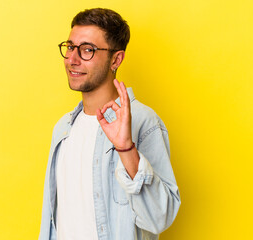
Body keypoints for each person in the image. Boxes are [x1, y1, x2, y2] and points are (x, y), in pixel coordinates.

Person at [39, 8, 181, 240]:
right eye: (70, 47)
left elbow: (159, 219)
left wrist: (126, 148)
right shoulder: (63, 129)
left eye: (87, 50)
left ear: (116, 59)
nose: (72, 60)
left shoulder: (143, 121)